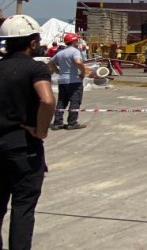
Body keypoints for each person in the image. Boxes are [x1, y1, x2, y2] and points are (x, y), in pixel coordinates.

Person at [0, 15, 56, 250]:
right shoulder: (35, 68)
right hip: (22, 146)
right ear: (32, 43)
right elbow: (47, 100)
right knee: (23, 208)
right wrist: (40, 130)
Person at [49, 32, 88, 130]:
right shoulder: (75, 51)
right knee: (75, 101)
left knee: (62, 101)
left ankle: (58, 122)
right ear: (74, 41)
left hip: (62, 80)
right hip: (74, 81)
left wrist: (57, 71)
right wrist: (83, 72)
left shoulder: (60, 53)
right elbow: (78, 62)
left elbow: (51, 62)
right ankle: (72, 122)